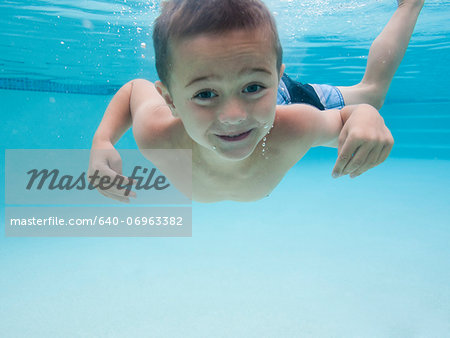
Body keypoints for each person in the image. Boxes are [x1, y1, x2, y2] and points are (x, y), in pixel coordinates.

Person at [88, 0, 424, 203]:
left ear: (277, 76)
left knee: (372, 95)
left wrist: (365, 115)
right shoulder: (157, 134)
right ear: (170, 101)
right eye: (205, 94)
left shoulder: (294, 125)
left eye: (252, 88)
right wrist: (101, 141)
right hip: (264, 93)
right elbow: (135, 89)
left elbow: (354, 117)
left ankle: (411, 5)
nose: (233, 116)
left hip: (279, 102)